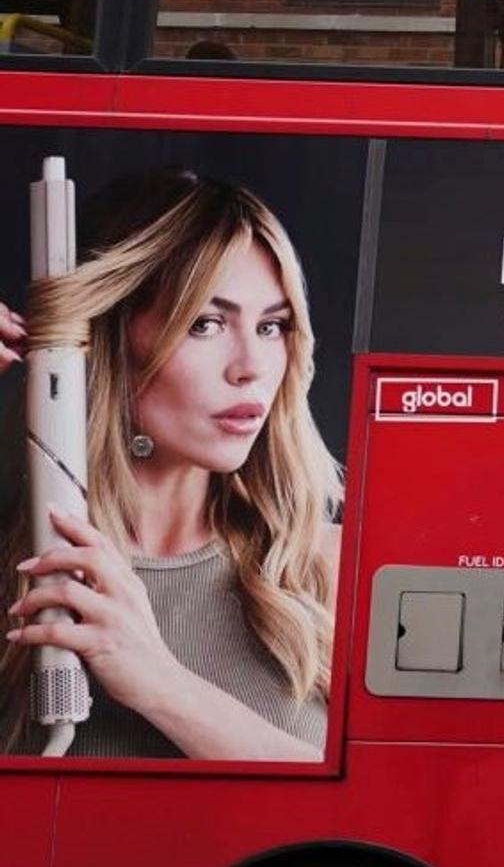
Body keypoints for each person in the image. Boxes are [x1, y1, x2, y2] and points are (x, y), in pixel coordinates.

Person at [2, 169, 337, 759]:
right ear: (108, 338)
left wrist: (158, 681)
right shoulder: (20, 573)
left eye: (272, 326)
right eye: (206, 324)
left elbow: (390, 821)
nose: (251, 366)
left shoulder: (328, 571)